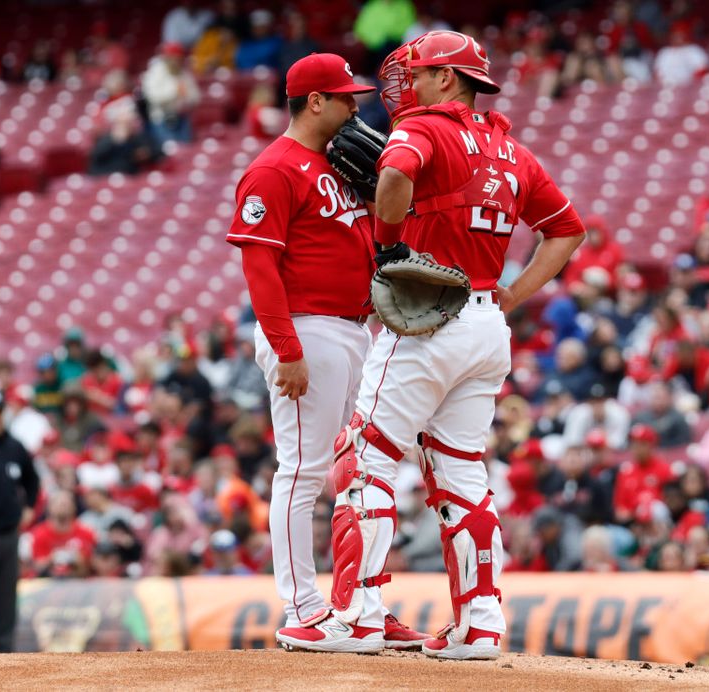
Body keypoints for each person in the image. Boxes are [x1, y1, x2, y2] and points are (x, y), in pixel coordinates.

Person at [276, 31, 584, 659]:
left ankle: (357, 615)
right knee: (462, 471)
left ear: (447, 79)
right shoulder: (511, 149)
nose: (406, 87)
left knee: (365, 456)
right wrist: (509, 296)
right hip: (484, 323)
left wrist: (389, 242)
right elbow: (566, 232)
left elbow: (393, 171)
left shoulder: (426, 127)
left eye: (416, 74)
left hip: (425, 320)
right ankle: (479, 624)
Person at [225, 52, 426, 649]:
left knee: (357, 470)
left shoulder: (337, 164)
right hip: (307, 330)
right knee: (305, 470)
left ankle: (357, 604)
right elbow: (259, 266)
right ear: (316, 101)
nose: (355, 107)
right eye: (345, 98)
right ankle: (304, 605)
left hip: (353, 329)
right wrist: (287, 348)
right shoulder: (273, 169)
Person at [0, 389, 39, 651]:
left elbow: (32, 479)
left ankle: (3, 665)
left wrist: (29, 506)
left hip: (8, 535)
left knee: (5, 600)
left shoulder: (14, 446)